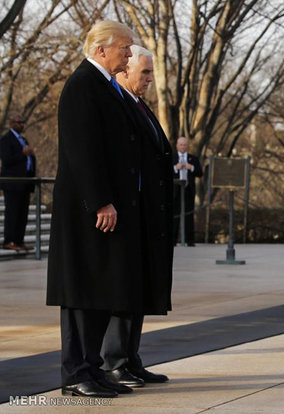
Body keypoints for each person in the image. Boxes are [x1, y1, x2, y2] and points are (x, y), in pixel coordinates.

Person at [46, 21, 171, 398]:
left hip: (108, 212)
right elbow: (82, 149)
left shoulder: (107, 87)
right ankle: (75, 373)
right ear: (102, 49)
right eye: (124, 48)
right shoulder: (83, 85)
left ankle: (92, 368)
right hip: (88, 213)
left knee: (101, 292)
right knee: (83, 294)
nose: (128, 54)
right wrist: (100, 200)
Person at [100, 45, 173, 387]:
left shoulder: (140, 106)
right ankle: (113, 360)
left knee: (140, 288)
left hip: (147, 213)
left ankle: (131, 359)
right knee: (123, 291)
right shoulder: (120, 106)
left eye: (150, 73)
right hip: (128, 212)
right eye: (144, 73)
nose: (148, 79)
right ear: (125, 71)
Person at [0, 114, 36, 251]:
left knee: (22, 213)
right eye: (19, 122)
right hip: (12, 183)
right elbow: (7, 160)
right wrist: (23, 154)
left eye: (23, 122)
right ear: (12, 123)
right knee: (12, 213)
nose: (22, 125)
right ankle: (9, 240)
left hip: (25, 182)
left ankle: (19, 240)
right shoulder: (6, 139)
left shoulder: (24, 139)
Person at [172, 136, 202, 246]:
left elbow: (200, 173)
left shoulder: (193, 159)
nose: (183, 147)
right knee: (175, 215)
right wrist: (176, 168)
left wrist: (191, 168)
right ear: (177, 146)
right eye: (181, 144)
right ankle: (173, 240)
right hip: (176, 190)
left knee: (189, 215)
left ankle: (190, 240)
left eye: (185, 145)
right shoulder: (172, 157)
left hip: (188, 190)